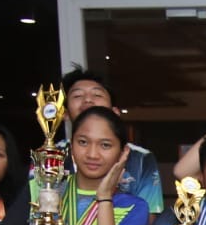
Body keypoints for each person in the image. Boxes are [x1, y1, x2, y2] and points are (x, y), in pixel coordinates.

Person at [62, 67, 163, 215]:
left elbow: (149, 217)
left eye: (97, 94)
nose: (88, 100)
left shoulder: (141, 159)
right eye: (77, 96)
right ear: (64, 114)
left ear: (115, 112)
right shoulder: (48, 157)